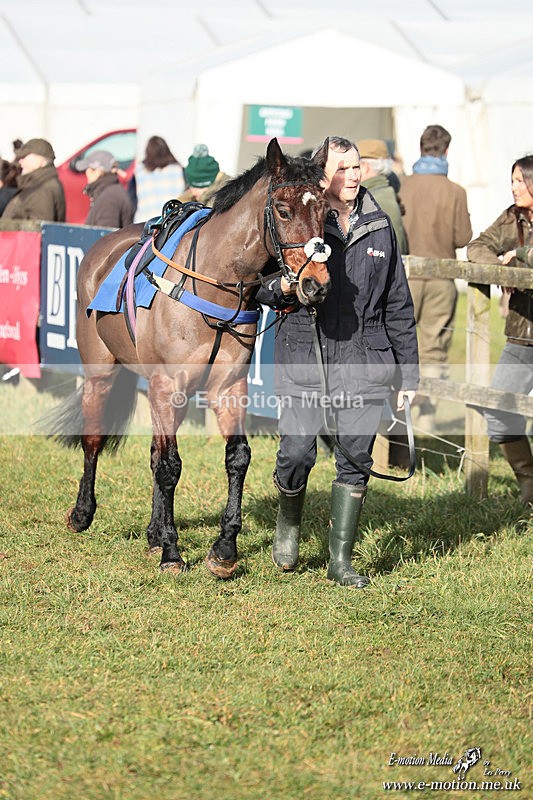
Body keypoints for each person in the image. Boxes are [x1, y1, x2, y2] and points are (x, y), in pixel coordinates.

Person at [256, 136, 419, 587]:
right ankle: (288, 527)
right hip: (303, 356)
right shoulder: (298, 219)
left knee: (356, 459)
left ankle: (340, 562)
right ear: (322, 176)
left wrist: (408, 372)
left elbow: (397, 302)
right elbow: (261, 289)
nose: (352, 176)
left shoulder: (380, 225)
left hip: (365, 359)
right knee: (295, 453)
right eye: (341, 168)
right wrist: (284, 288)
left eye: (357, 167)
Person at [467, 154, 533, 506]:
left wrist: (518, 256)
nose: (514, 187)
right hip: (522, 334)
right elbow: (477, 247)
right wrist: (500, 269)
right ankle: (530, 486)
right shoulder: (512, 217)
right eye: (512, 180)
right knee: (499, 410)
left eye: (520, 181)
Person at [400, 124, 472, 432]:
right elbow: (463, 237)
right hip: (442, 279)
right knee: (434, 352)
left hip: (405, 278)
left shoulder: (403, 186)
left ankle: (397, 423)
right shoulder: (456, 192)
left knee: (399, 346)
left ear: (420, 148)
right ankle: (426, 423)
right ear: (446, 151)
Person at [357, 138, 408, 254]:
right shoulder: (379, 194)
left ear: (365, 167)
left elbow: (395, 251)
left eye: (355, 166)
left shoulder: (376, 200)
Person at [2, 138, 65, 222]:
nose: (20, 161)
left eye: (24, 157)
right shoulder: (35, 185)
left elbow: (38, 227)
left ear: (41, 160)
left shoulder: (44, 189)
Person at [132, 135, 186, 223]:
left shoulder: (139, 173)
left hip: (145, 222)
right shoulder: (179, 170)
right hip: (173, 221)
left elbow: (132, 201)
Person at [77, 150, 133, 229]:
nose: (86, 172)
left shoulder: (109, 199)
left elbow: (105, 234)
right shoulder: (110, 191)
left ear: (99, 171)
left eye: (89, 169)